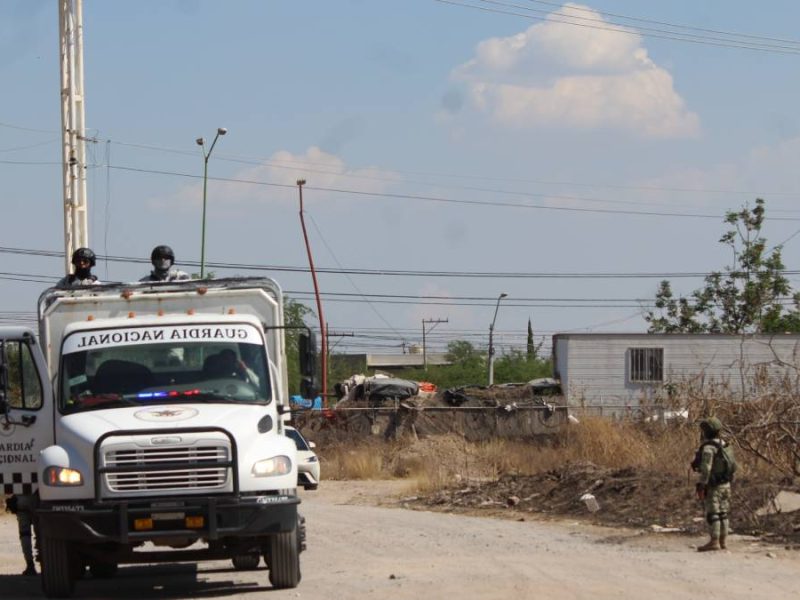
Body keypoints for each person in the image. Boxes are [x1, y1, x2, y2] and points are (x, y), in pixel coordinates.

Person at [691, 417, 735, 552]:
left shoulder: (709, 448)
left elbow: (706, 469)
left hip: (714, 485)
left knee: (713, 514)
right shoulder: (726, 444)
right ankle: (723, 542)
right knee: (723, 513)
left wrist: (702, 484)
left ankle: (714, 541)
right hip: (726, 484)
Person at [5, 494, 37, 576]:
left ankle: (30, 565)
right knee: (41, 535)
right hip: (37, 501)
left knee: (24, 535)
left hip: (21, 502)